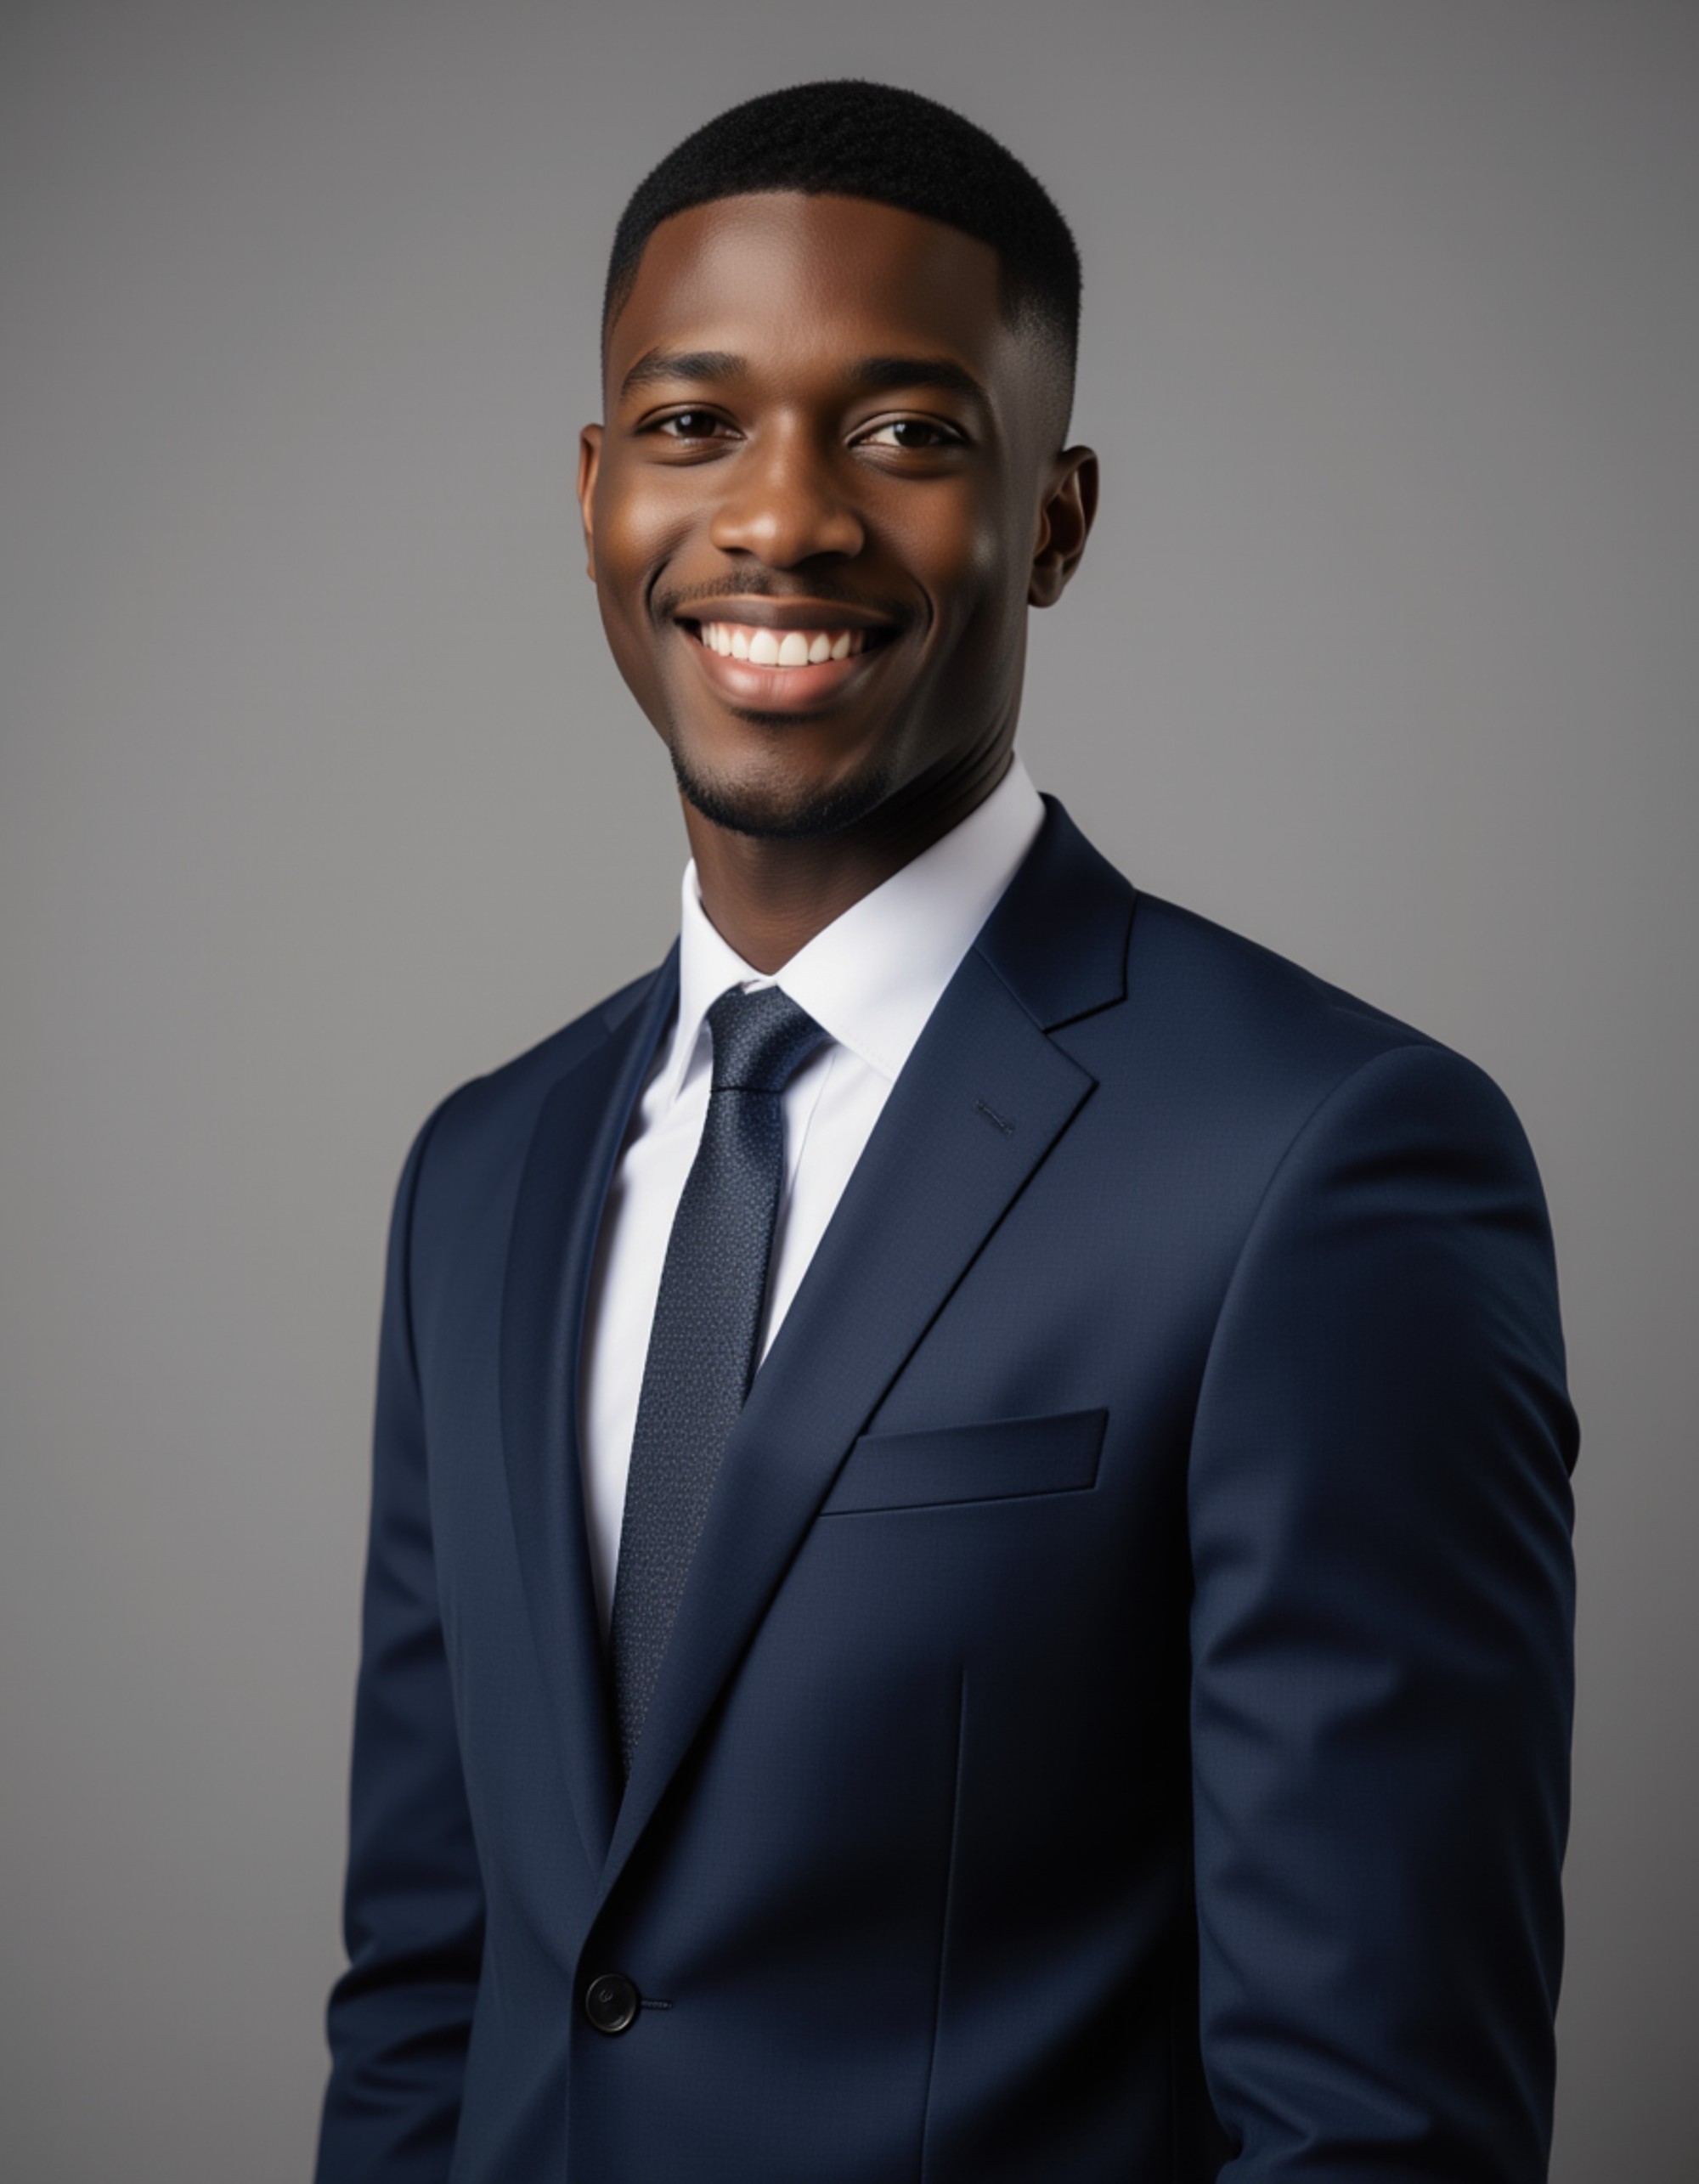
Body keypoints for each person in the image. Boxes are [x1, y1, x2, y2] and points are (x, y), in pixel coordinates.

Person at [313, 79, 1578, 2184]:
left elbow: (1384, 2121)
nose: (782, 517)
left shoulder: (1324, 1162)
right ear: (595, 488)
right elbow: (433, 1987)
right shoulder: (484, 1172)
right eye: (692, 424)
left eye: (903, 432)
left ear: (1056, 520)